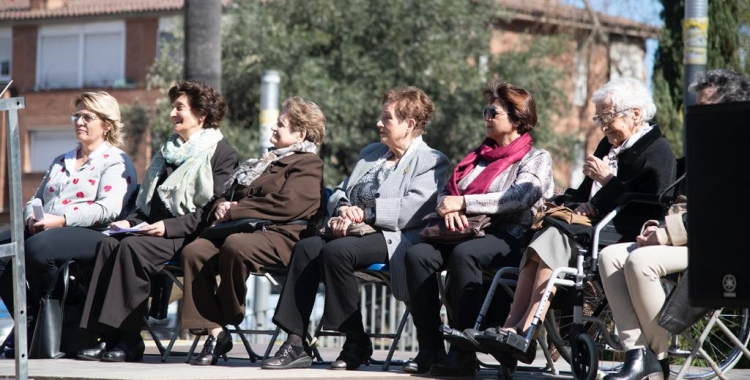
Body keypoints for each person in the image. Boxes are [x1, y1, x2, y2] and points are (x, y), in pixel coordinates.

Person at [482, 77, 676, 366]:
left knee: (552, 236)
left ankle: (525, 330)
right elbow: (586, 194)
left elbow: (651, 203)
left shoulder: (658, 150)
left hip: (622, 232)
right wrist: (571, 202)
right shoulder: (607, 144)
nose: (603, 125)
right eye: (600, 117)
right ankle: (513, 328)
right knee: (543, 232)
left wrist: (607, 181)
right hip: (589, 225)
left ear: (636, 114)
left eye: (608, 116)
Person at [260, 86, 449, 371]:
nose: (379, 123)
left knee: (337, 253)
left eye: (387, 118)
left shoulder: (431, 160)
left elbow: (414, 209)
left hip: (393, 238)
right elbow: (339, 190)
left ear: (409, 124)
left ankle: (354, 340)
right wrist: (343, 208)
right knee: (306, 248)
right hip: (350, 231)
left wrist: (364, 215)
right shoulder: (371, 153)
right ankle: (296, 341)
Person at [597, 69, 750, 380]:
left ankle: (657, 360)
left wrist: (665, 235)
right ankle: (637, 352)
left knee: (642, 261)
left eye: (703, 106)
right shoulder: (704, 150)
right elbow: (680, 205)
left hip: (724, 248)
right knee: (610, 255)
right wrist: (656, 228)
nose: (695, 114)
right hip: (688, 240)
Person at [76, 81, 238, 363]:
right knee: (108, 245)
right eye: (172, 107)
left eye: (180, 108)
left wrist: (168, 227)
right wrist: (130, 222)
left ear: (201, 115)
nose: (172, 113)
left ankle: (129, 340)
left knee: (131, 250)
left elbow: (212, 208)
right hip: (153, 232)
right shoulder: (168, 152)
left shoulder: (222, 153)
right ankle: (104, 336)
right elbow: (149, 202)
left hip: (189, 234)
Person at [401, 80, 554, 376]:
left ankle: (463, 352)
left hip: (509, 236)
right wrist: (449, 208)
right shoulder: (477, 157)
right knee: (416, 254)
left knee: (465, 255)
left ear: (517, 119)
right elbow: (448, 192)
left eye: (492, 112)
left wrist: (465, 204)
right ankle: (430, 347)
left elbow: (521, 197)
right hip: (462, 230)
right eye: (486, 111)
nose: (486, 118)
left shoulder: (537, 158)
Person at [179, 96, 326, 366]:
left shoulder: (307, 164)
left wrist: (235, 210)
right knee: (194, 251)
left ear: (300, 134)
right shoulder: (263, 163)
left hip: (284, 236)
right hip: (244, 230)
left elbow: (288, 205)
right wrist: (223, 206)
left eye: (281, 124)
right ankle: (217, 332)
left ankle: (228, 314)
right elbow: (230, 194)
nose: (273, 128)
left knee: (236, 245)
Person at [0, 92, 137, 357]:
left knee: (39, 248)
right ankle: (29, 320)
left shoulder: (116, 161)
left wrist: (61, 220)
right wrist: (33, 217)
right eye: (77, 116)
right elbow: (35, 198)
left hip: (94, 234)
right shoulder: (61, 160)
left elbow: (109, 208)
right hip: (48, 228)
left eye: (88, 117)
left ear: (106, 125)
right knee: (3, 249)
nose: (79, 122)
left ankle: (69, 320)